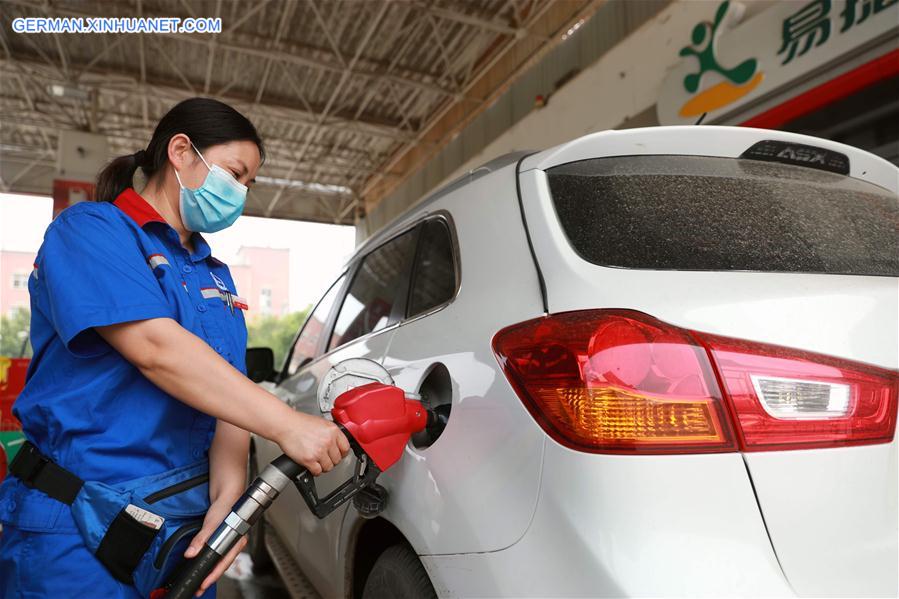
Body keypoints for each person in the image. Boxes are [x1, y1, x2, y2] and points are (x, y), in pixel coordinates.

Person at [0, 98, 350, 598]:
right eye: (235, 174)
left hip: (178, 534)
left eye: (248, 184)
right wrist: (288, 424)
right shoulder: (92, 231)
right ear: (181, 152)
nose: (240, 194)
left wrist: (227, 498)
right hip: (76, 524)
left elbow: (227, 385)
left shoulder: (215, 274)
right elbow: (153, 347)